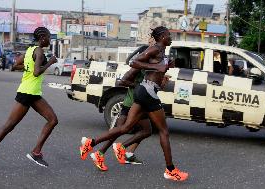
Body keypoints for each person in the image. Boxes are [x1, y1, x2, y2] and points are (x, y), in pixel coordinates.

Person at [79, 26, 188, 181]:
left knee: (127, 128)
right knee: (163, 132)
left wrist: (164, 71)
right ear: (162, 36)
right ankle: (170, 170)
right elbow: (134, 63)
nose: (171, 38)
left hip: (146, 91)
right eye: (169, 35)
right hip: (146, 92)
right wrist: (157, 67)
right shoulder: (155, 49)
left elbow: (155, 73)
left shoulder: (162, 51)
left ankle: (91, 143)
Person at [0, 27, 58, 171]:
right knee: (8, 126)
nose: (50, 40)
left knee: (53, 120)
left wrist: (28, 68)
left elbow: (15, 65)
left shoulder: (29, 50)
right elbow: (37, 71)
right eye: (49, 37)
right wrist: (50, 62)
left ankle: (36, 152)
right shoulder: (38, 51)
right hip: (28, 93)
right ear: (43, 37)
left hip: (32, 93)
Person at [88, 38, 156, 171]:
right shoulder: (139, 66)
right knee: (142, 131)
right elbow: (123, 82)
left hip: (135, 102)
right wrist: (139, 86)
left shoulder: (149, 66)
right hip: (133, 103)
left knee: (129, 131)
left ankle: (108, 153)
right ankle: (106, 148)